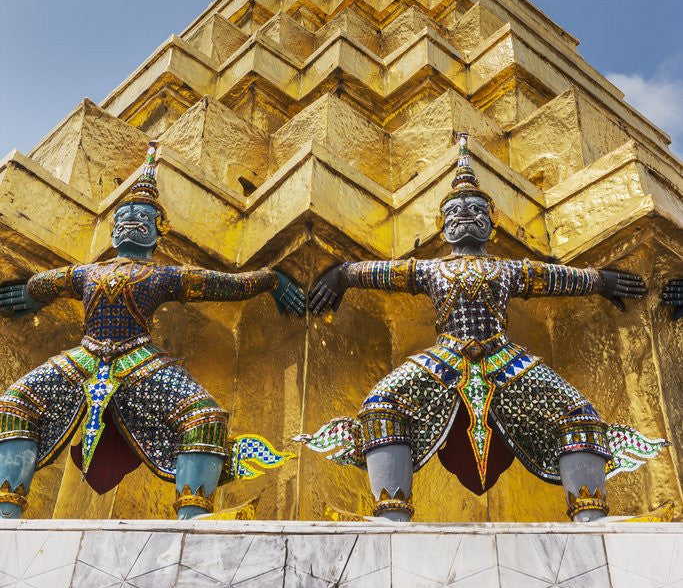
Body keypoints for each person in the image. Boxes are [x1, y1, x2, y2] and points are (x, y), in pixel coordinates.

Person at [299, 134, 666, 522]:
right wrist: (341, 275)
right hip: (445, 356)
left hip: (505, 357)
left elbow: (552, 278)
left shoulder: (508, 269)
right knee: (382, 404)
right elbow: (382, 272)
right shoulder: (429, 269)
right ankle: (391, 517)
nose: (464, 215)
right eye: (454, 212)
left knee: (577, 413)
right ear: (442, 228)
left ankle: (590, 517)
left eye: (476, 210)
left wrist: (600, 281)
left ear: (492, 225)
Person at [0, 142, 305, 519]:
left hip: (138, 358)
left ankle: (193, 518)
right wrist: (30, 293)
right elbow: (52, 282)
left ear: (159, 230)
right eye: (124, 215)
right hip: (85, 355)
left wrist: (270, 279)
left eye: (142, 215)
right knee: (15, 403)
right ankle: (6, 513)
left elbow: (227, 285)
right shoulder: (88, 273)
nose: (130, 219)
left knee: (205, 418)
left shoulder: (164, 276)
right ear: (113, 232)